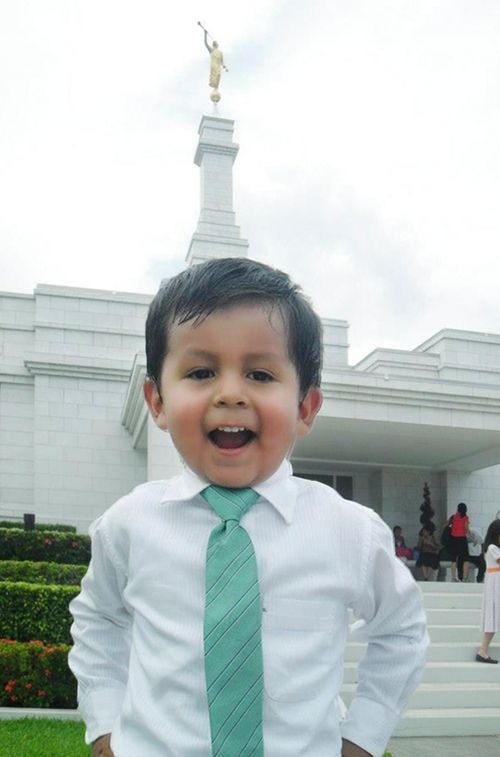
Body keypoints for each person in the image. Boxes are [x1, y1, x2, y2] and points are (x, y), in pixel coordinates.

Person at [69, 258, 428, 757]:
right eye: (200, 371)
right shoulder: (128, 525)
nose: (231, 393)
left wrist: (363, 736)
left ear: (305, 407)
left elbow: (402, 631)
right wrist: (106, 724)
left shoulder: (348, 530)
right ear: (157, 402)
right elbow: (99, 620)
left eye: (260, 373)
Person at [476, 519, 500, 663]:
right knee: (492, 617)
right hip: (495, 584)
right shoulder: (492, 547)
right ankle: (482, 651)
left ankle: (483, 651)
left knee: (494, 617)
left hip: (496, 582)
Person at [448, 502, 471, 582]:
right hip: (462, 539)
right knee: (465, 559)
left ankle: (453, 577)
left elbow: (448, 525)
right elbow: (466, 528)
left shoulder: (454, 517)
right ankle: (465, 578)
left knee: (454, 559)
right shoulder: (465, 517)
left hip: (453, 539)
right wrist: (470, 534)